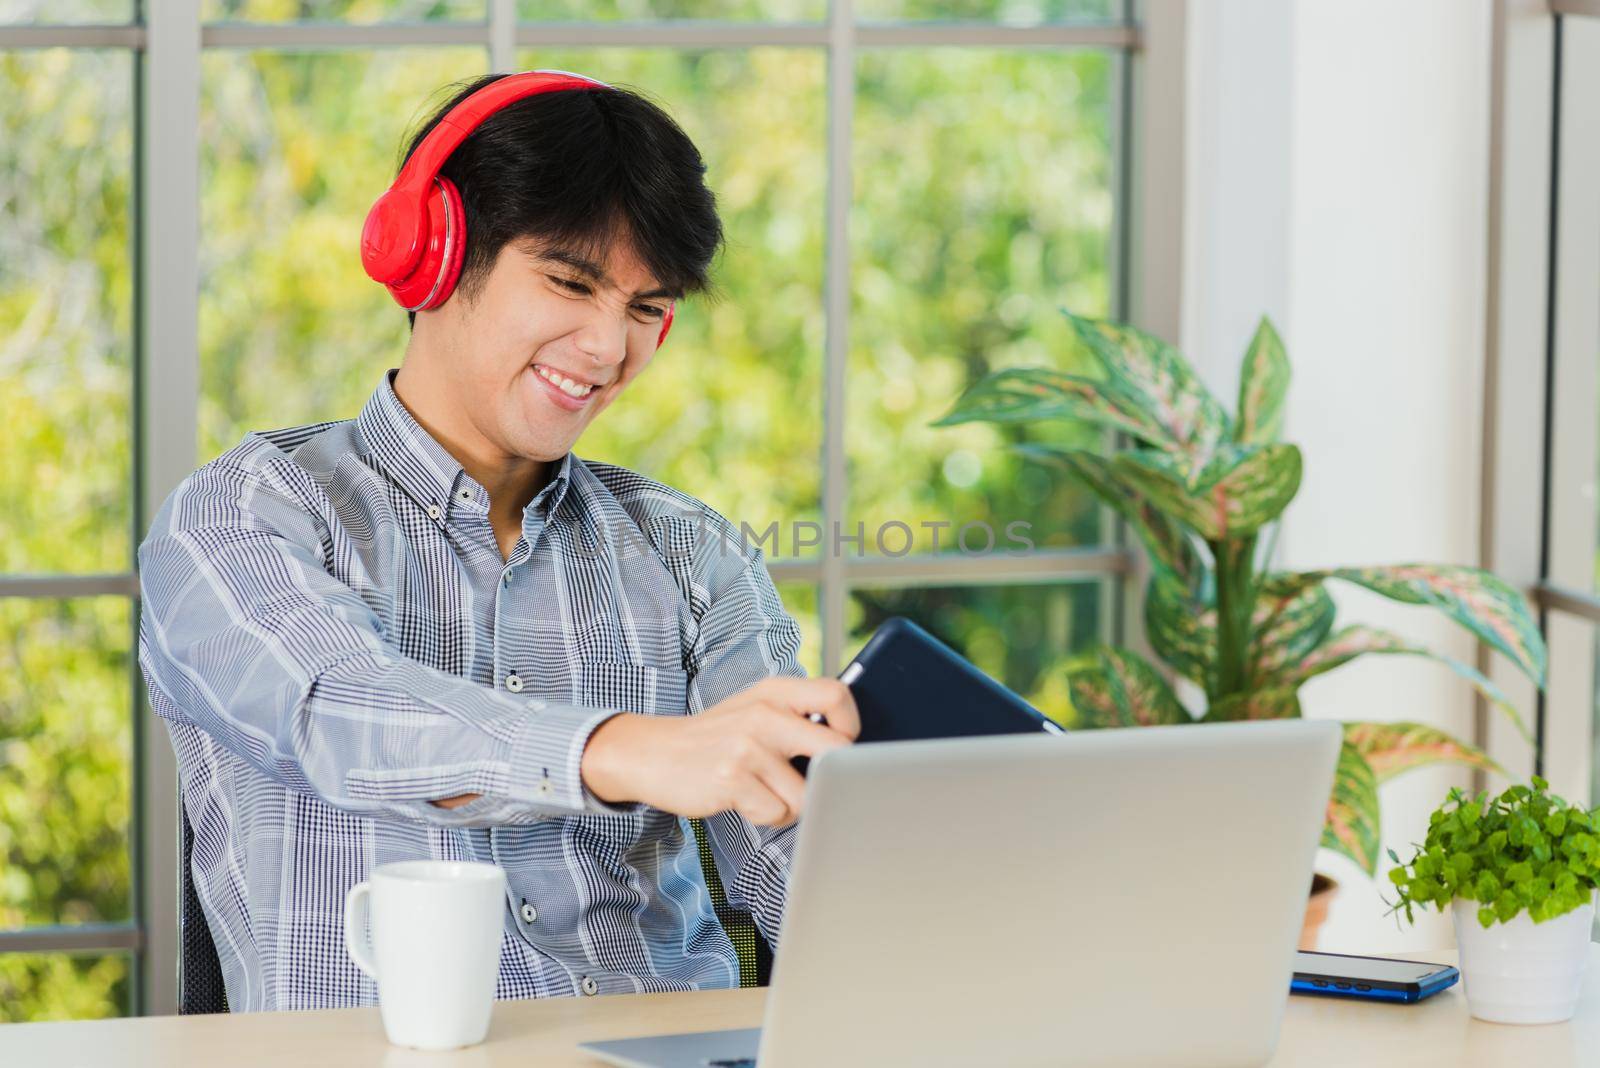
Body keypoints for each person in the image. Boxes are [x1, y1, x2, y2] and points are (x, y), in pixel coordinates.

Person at [136, 70, 858, 1013]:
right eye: (570, 281)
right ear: (432, 257)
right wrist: (623, 749)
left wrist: (873, 834)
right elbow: (340, 712)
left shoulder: (692, 552)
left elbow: (795, 871)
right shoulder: (243, 513)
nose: (607, 349)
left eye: (647, 308)